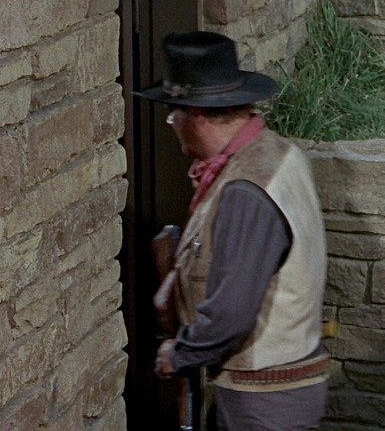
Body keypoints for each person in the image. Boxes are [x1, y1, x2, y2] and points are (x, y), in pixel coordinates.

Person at [135, 30, 329, 430]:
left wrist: (181, 353)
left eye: (173, 116)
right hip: (271, 394)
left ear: (197, 116)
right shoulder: (274, 153)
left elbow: (231, 310)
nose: (172, 126)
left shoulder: (245, 189)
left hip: (264, 401)